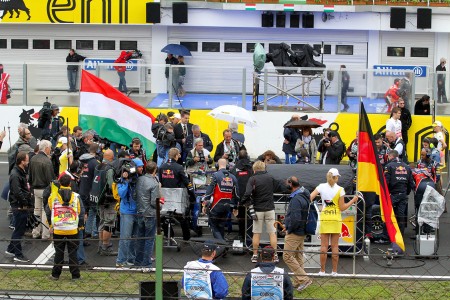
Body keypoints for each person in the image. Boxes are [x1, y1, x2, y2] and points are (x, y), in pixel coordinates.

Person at [310, 168, 358, 275]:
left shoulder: (321, 186)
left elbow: (310, 197)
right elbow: (342, 207)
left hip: (325, 217)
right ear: (336, 177)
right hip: (336, 218)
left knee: (323, 246)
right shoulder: (340, 190)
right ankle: (334, 271)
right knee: (335, 246)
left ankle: (322, 271)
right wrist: (353, 200)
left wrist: (318, 207)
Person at [241, 161, 283, 263]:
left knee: (256, 233)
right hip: (270, 208)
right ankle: (275, 255)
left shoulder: (253, 179)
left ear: (254, 169)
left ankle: (255, 255)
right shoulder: (270, 177)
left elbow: (247, 193)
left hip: (257, 209)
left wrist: (242, 202)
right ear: (264, 168)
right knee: (272, 233)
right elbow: (280, 187)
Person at [46, 173, 84, 280]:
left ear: (59, 183)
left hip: (58, 229)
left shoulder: (53, 197)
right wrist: (80, 226)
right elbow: (81, 212)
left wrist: (50, 224)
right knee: (73, 253)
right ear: (70, 183)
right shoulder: (76, 196)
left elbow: (48, 212)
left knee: (59, 252)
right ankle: (75, 275)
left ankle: (55, 275)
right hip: (72, 229)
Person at [283, 176, 313, 292]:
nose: (286, 184)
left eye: (287, 182)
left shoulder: (296, 199)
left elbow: (295, 218)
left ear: (291, 184)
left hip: (295, 232)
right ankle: (298, 280)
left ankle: (304, 279)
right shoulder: (304, 194)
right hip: (302, 231)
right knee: (297, 256)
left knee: (287, 256)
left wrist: (289, 228)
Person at [158, 148, 194, 241]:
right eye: (179, 155)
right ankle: (186, 238)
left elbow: (160, 182)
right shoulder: (179, 167)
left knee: (164, 216)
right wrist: (192, 194)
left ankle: (169, 234)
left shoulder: (161, 167)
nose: (179, 156)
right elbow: (186, 182)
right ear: (176, 156)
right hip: (177, 198)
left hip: (165, 198)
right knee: (183, 217)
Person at [115, 158, 143, 268]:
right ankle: (121, 260)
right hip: (127, 212)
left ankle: (131, 259)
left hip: (137, 211)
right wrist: (126, 181)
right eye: (140, 166)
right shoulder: (122, 179)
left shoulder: (139, 179)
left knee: (135, 237)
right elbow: (121, 194)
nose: (142, 168)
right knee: (125, 237)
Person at [5, 152, 33, 262]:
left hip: (20, 204)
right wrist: (25, 203)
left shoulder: (20, 171)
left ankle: (11, 249)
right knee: (19, 230)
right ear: (22, 161)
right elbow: (17, 192)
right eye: (27, 160)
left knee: (19, 228)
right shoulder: (15, 174)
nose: (28, 161)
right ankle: (18, 254)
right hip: (19, 205)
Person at [203, 158, 239, 241]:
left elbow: (209, 192)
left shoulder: (215, 175)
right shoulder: (233, 177)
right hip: (227, 206)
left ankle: (223, 244)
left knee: (213, 225)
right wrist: (235, 207)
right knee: (221, 226)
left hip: (216, 205)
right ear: (227, 166)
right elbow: (237, 194)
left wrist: (205, 204)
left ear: (217, 165)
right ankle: (222, 250)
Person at [91, 149, 118, 255]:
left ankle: (101, 245)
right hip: (108, 200)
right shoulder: (109, 169)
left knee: (102, 222)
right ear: (111, 157)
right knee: (109, 224)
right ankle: (106, 247)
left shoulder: (98, 166)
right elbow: (112, 185)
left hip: (99, 199)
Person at [135, 161, 160, 272]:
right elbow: (154, 202)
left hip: (140, 211)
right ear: (154, 170)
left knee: (140, 238)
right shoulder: (154, 183)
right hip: (150, 213)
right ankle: (146, 264)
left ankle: (138, 261)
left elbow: (135, 195)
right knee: (149, 239)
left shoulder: (139, 179)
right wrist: (160, 206)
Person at [384, 150, 414, 237]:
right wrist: (406, 193)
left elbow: (386, 182)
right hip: (403, 194)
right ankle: (400, 235)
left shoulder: (388, 166)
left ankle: (387, 236)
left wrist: (386, 194)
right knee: (401, 215)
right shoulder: (407, 167)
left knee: (389, 215)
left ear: (390, 156)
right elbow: (410, 183)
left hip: (392, 194)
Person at [29, 140, 55, 240]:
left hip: (35, 188)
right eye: (50, 148)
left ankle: (35, 232)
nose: (51, 150)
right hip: (45, 189)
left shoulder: (33, 159)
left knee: (37, 211)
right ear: (46, 148)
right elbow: (50, 179)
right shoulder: (47, 161)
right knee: (45, 212)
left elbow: (30, 175)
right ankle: (45, 235)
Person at [230, 150, 253, 242]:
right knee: (250, 218)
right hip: (250, 197)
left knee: (241, 217)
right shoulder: (251, 168)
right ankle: (249, 236)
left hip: (239, 197)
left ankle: (241, 235)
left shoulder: (234, 168)